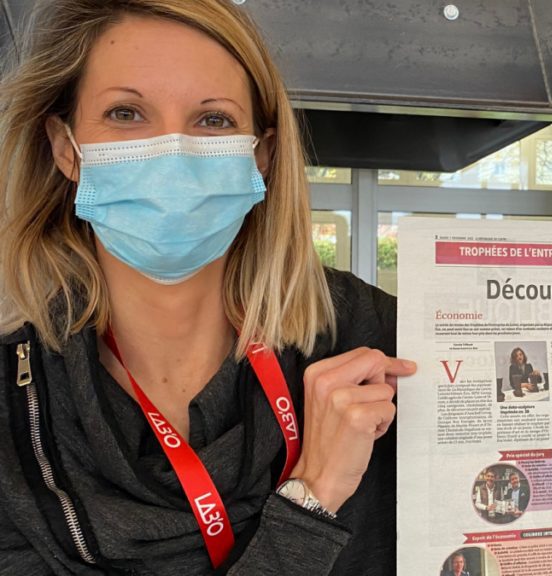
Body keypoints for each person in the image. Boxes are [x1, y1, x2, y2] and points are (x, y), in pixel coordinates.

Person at [0, 1, 417, 574]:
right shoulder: (13, 403)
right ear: (66, 147)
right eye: (126, 113)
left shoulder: (381, 338)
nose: (172, 151)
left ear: (261, 155)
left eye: (213, 120)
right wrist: (312, 499)